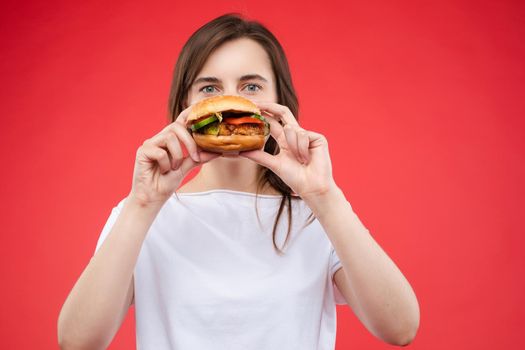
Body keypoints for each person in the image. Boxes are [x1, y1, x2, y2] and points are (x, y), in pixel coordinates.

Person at [57, 13, 420, 350]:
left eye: (251, 86)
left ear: (280, 101)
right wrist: (142, 204)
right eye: (210, 89)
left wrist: (323, 195)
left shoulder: (317, 216)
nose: (231, 100)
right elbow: (77, 341)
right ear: (185, 105)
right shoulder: (142, 215)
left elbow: (400, 327)